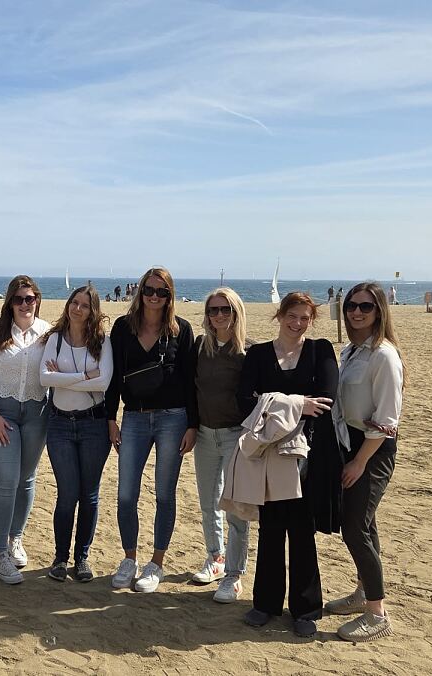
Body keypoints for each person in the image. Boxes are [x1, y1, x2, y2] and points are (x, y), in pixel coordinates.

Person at [236, 291, 341, 638]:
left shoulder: (319, 350)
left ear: (312, 321)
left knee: (301, 530)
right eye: (291, 316)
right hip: (268, 452)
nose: (297, 324)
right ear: (279, 316)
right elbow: (243, 400)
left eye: (304, 318)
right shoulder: (259, 354)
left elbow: (326, 399)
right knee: (269, 528)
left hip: (307, 453)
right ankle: (265, 604)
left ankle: (305, 608)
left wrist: (275, 406)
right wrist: (296, 403)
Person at [105, 267, 198, 593]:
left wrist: (193, 425)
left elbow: (190, 381)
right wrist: (110, 417)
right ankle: (129, 558)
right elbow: (114, 376)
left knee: (163, 494)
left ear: (169, 296)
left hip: (173, 418)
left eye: (162, 292)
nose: (155, 297)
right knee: (126, 494)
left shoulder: (181, 331)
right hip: (133, 418)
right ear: (139, 291)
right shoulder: (122, 328)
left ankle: (156, 563)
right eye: (149, 290)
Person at [326, 282, 405, 642]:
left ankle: (377, 612)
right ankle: (363, 592)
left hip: (373, 449)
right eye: (351, 306)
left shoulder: (383, 356)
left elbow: (388, 420)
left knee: (354, 525)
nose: (356, 312)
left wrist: (359, 462)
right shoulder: (351, 350)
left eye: (366, 307)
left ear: (379, 311)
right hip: (351, 442)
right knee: (364, 523)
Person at [0, 275, 50, 584]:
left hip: (36, 414)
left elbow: (56, 371)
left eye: (29, 298)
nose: (24, 304)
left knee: (27, 479)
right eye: (18, 299)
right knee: (7, 480)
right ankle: (0, 553)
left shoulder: (47, 333)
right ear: (10, 302)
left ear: (37, 300)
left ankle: (16, 538)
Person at [39, 285, 113, 583]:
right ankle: (60, 558)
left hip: (94, 425)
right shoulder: (54, 340)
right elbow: (44, 378)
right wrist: (84, 377)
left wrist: (63, 379)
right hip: (59, 425)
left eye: (85, 305)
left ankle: (82, 557)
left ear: (93, 311)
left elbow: (105, 383)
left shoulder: (102, 343)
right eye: (74, 302)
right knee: (67, 494)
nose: (78, 308)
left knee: (89, 495)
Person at [191, 287, 253, 603]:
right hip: (204, 435)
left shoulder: (248, 353)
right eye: (213, 310)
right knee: (208, 503)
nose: (218, 316)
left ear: (236, 312)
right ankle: (215, 558)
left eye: (224, 309)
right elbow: (190, 391)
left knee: (236, 510)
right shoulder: (201, 347)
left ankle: (233, 575)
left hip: (235, 437)